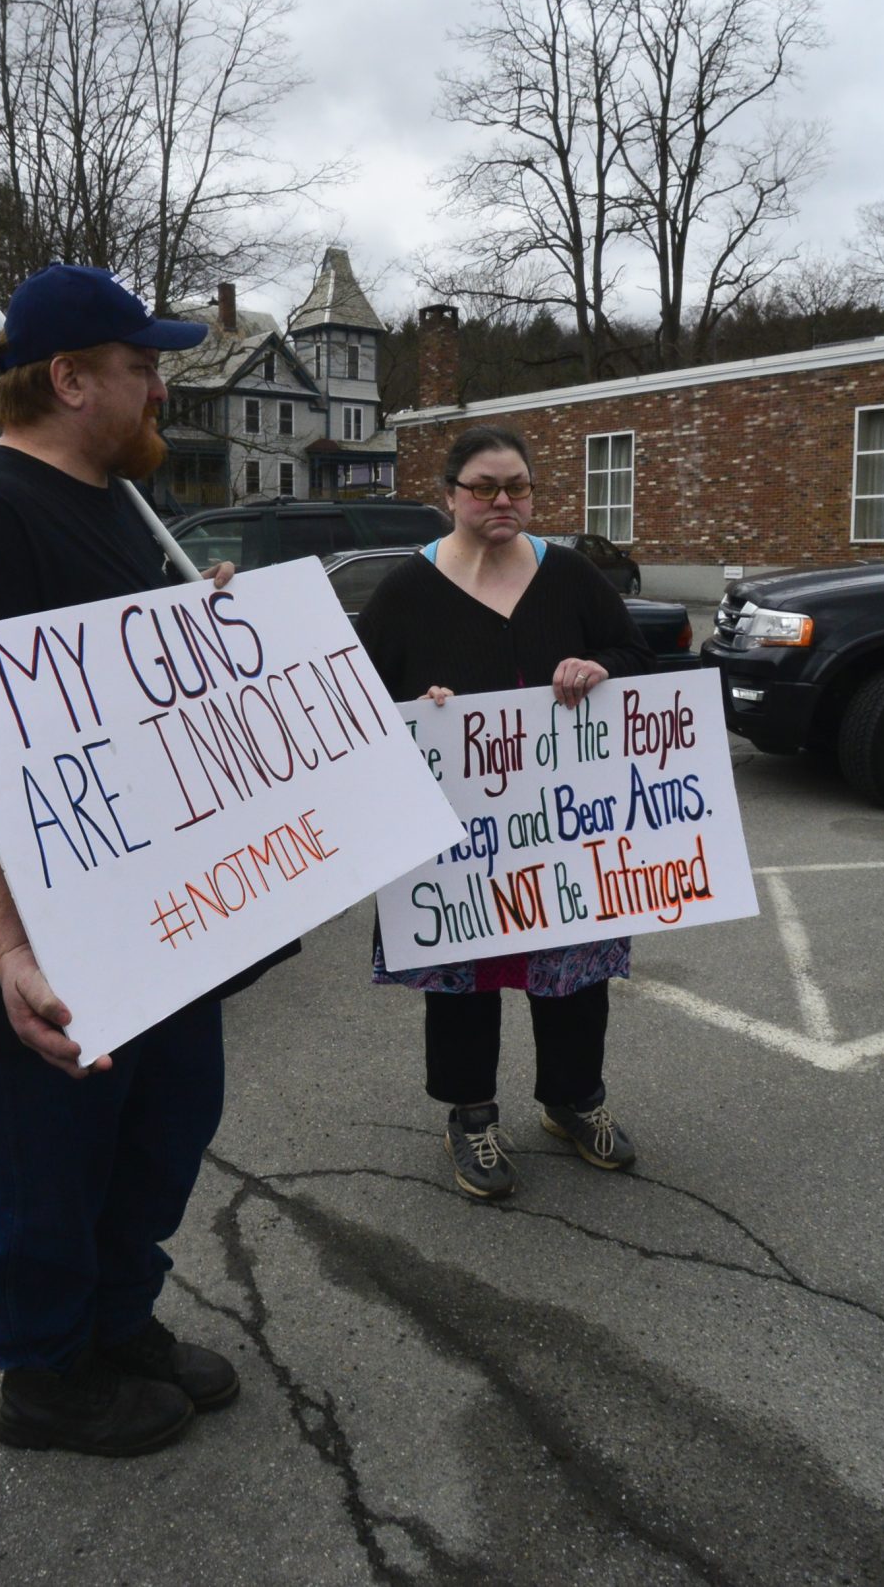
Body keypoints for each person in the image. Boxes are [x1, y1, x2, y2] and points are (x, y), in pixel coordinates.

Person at [0, 264, 241, 1457]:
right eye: (140, 368)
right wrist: (12, 953)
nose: (158, 391)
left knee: (164, 1130)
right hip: (47, 932)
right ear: (71, 379)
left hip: (155, 913)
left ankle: (115, 1321)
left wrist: (208, 630)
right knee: (52, 1162)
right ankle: (45, 1374)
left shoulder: (120, 505)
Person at [354, 425, 654, 1201]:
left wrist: (600, 666)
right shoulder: (408, 589)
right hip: (462, 839)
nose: (502, 501)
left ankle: (573, 1100)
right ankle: (471, 1115)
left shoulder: (569, 574)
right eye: (484, 487)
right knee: (465, 982)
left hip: (563, 828)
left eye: (516, 486)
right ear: (450, 495)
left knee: (574, 976)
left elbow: (634, 656)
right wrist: (419, 710)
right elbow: (361, 702)